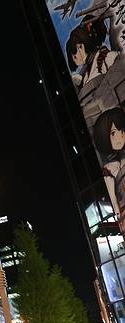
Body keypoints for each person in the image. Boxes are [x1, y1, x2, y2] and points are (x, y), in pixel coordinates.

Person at [65, 15, 119, 88]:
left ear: (81, 46)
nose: (74, 58)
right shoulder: (84, 76)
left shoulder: (109, 58)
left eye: (74, 51)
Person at [95, 107, 125, 238]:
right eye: (113, 133)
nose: (120, 136)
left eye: (122, 130)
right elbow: (113, 198)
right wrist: (119, 218)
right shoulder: (110, 168)